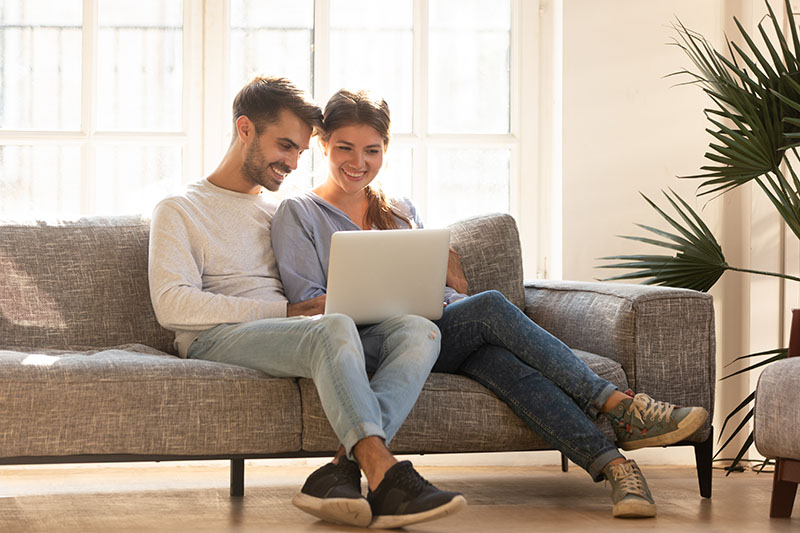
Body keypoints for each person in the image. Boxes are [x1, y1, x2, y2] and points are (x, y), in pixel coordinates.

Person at [270, 88, 709, 519]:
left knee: (505, 365)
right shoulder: (299, 212)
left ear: (385, 149)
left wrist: (451, 285)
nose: (358, 163)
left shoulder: (399, 209)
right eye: (344, 147)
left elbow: (440, 293)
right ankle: (620, 406)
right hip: (362, 342)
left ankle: (616, 468)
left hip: (434, 331)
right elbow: (308, 304)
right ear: (323, 144)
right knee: (491, 307)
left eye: (372, 150)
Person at [148, 76, 466, 530]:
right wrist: (286, 312)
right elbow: (172, 305)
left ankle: (337, 473)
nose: (294, 162)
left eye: (300, 149)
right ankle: (386, 474)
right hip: (216, 339)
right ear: (244, 130)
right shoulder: (180, 208)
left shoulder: (281, 211)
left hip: (297, 336)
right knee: (331, 325)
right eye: (284, 146)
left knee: (420, 330)